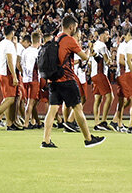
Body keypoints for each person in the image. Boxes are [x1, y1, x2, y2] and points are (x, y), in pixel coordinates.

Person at [41, 15, 105, 149]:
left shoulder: (56, 38)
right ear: (71, 27)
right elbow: (85, 57)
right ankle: (88, 139)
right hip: (67, 79)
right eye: (75, 27)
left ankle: (46, 141)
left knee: (52, 110)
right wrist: (89, 50)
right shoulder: (69, 40)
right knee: (78, 108)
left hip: (53, 79)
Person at [0, 27, 21, 131]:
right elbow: (9, 60)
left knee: (8, 99)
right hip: (8, 74)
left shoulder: (1, 43)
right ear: (12, 33)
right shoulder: (8, 44)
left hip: (2, 73)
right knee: (10, 99)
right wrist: (14, 76)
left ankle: (9, 123)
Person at [90, 30, 114, 131]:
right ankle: (103, 121)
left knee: (98, 99)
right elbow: (108, 61)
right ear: (102, 35)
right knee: (110, 97)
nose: (109, 36)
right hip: (100, 74)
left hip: (94, 74)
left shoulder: (96, 45)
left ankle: (96, 123)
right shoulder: (102, 46)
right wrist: (111, 60)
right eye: (107, 34)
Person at [19, 32, 40, 129]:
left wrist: (24, 74)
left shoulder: (25, 51)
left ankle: (34, 121)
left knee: (29, 101)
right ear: (39, 41)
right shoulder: (37, 52)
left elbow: (21, 64)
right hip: (34, 79)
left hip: (25, 79)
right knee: (31, 102)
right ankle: (26, 123)